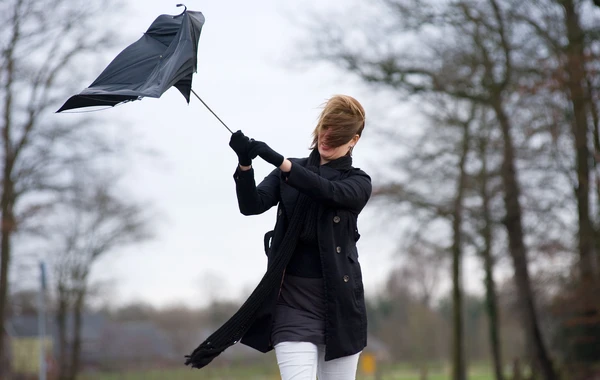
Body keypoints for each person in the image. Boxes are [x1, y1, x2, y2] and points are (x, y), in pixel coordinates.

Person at [228, 94, 372, 380]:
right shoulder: (289, 171)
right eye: (325, 129)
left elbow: (327, 192)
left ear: (353, 140)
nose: (327, 138)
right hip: (291, 305)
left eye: (338, 136)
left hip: (340, 309)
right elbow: (251, 206)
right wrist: (245, 165)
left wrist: (283, 165)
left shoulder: (357, 182)